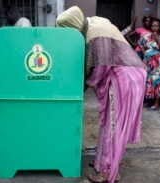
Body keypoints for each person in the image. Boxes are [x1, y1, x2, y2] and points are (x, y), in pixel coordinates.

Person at [56, 6, 147, 183]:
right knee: (108, 123)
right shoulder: (96, 21)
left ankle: (108, 172)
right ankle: (101, 161)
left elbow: (100, 67)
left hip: (123, 77)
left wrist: (85, 85)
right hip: (130, 73)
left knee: (113, 126)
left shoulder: (94, 33)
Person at [139, 18, 160, 110]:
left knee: (158, 82)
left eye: (156, 26)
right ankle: (150, 101)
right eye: (153, 26)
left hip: (159, 64)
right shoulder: (146, 37)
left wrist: (156, 37)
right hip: (148, 63)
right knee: (149, 81)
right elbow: (142, 47)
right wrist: (147, 55)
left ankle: (156, 103)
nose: (154, 27)